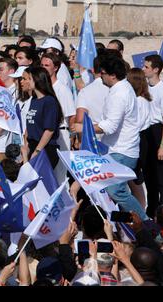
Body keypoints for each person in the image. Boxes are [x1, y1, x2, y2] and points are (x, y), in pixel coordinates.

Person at [76, 55, 148, 220]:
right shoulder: (120, 89)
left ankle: (145, 224)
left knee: (116, 191)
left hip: (122, 150)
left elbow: (109, 126)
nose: (100, 76)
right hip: (115, 149)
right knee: (109, 191)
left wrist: (84, 127)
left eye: (102, 73)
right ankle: (124, 226)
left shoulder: (120, 94)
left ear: (113, 75)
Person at [41, 52, 75, 183]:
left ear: (55, 68)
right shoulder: (43, 88)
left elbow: (71, 115)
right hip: (46, 134)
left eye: (47, 65)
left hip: (61, 133)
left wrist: (72, 138)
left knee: (59, 176)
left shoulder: (62, 89)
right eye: (42, 65)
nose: (43, 68)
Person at [22, 67, 62, 169]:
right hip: (32, 146)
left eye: (29, 79)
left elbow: (49, 130)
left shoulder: (49, 101)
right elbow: (29, 125)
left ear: (37, 80)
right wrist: (26, 146)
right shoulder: (34, 100)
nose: (26, 81)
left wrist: (37, 151)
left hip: (45, 148)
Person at [142, 54, 163, 218]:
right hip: (146, 133)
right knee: (149, 176)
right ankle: (151, 211)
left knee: (162, 178)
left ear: (156, 69)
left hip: (159, 132)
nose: (144, 69)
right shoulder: (145, 89)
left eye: (146, 67)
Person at [127, 68, 151, 210]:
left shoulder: (140, 101)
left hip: (139, 139)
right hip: (138, 138)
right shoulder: (139, 99)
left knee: (135, 179)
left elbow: (137, 123)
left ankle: (141, 209)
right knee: (133, 179)